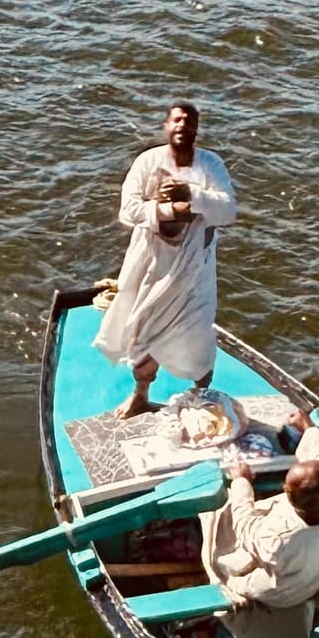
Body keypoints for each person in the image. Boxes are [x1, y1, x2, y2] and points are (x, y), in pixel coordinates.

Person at [95, 101, 236, 414]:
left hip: (194, 269)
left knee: (198, 337)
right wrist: (169, 209)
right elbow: (128, 211)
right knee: (143, 333)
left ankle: (201, 397)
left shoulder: (210, 165)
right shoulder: (147, 162)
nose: (182, 125)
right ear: (166, 126)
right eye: (177, 120)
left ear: (196, 129)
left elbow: (228, 210)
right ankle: (140, 395)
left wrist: (191, 195)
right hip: (151, 265)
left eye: (189, 121)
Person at [199, 406, 319, 638]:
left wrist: (241, 483)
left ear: (287, 492)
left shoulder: (278, 538)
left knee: (219, 528)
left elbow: (245, 525)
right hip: (314, 569)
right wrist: (308, 430)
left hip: (280, 594)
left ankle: (228, 587)